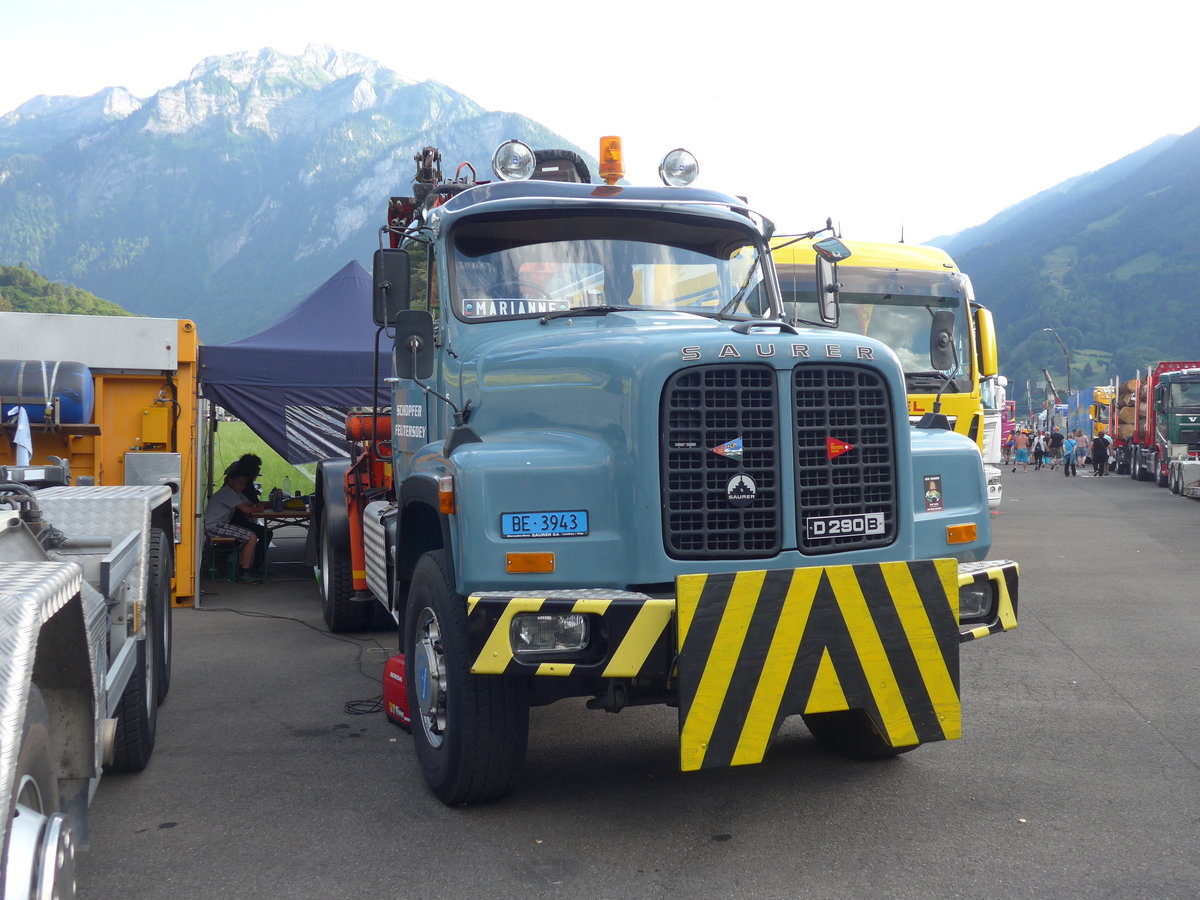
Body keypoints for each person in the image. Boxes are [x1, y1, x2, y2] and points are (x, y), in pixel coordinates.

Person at [204, 472, 266, 582]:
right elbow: (247, 510)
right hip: (214, 526)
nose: (242, 486)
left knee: (249, 535)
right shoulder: (227, 493)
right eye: (239, 482)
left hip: (220, 524)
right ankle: (244, 572)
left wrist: (255, 506)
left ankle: (242, 567)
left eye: (244, 483)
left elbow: (249, 504)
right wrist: (258, 508)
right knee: (251, 537)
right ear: (230, 481)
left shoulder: (235, 492)